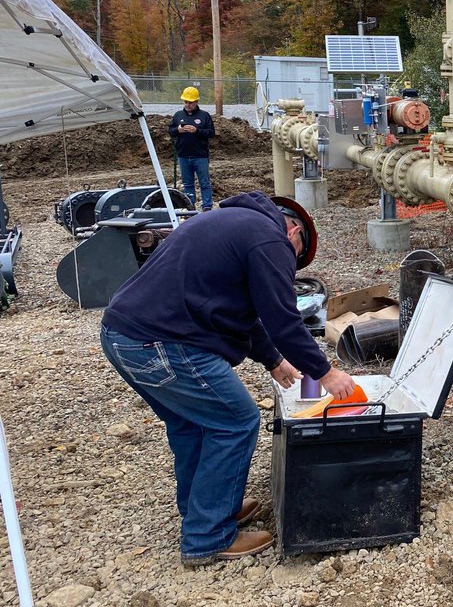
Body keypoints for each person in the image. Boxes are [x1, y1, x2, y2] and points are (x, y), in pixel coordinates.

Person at [99, 191, 356, 565]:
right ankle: (208, 537)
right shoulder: (271, 239)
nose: (290, 265)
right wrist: (325, 372)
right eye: (295, 260)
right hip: (164, 342)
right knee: (236, 421)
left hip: (124, 335)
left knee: (194, 426)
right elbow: (282, 318)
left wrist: (272, 360)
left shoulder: (229, 223)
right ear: (295, 232)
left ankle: (205, 511)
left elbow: (236, 308)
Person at [170, 86, 215, 211]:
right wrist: (178, 130)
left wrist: (197, 130)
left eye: (190, 102)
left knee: (204, 183)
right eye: (185, 102)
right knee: (187, 184)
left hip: (200, 155)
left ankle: (207, 206)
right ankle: (190, 206)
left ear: (196, 102)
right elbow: (171, 131)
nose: (187, 105)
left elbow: (211, 133)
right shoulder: (178, 116)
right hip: (183, 155)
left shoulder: (204, 116)